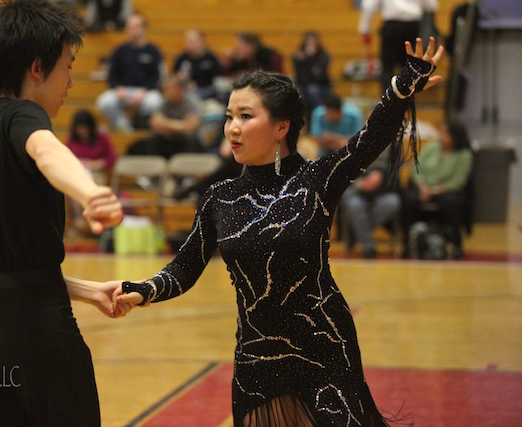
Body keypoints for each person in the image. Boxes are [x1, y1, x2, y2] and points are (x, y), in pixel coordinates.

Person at [115, 38, 444, 426]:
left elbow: (369, 139)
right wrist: (146, 289)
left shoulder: (317, 179)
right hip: (258, 359)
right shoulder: (220, 196)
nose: (232, 128)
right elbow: (185, 266)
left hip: (323, 347)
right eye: (228, 116)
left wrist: (401, 86)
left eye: (245, 116)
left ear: (280, 127)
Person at [0, 1, 127, 425]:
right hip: (36, 330)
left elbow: (7, 266)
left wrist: (84, 290)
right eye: (67, 66)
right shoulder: (23, 114)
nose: (70, 81)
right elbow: (46, 150)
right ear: (37, 69)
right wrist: (91, 191)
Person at [400, 117, 473, 259]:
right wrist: (423, 187)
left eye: (445, 133)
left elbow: (457, 181)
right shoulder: (432, 147)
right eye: (441, 132)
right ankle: (407, 243)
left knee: (451, 202)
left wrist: (434, 191)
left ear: (455, 136)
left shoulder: (464, 155)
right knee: (408, 199)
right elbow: (416, 168)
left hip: (445, 191)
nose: (441, 136)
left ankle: (456, 242)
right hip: (423, 188)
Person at [95, 13, 164, 131]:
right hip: (123, 91)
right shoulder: (119, 51)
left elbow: (157, 77)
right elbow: (112, 75)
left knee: (156, 102)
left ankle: (141, 124)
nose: (132, 30)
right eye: (129, 27)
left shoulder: (153, 51)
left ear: (144, 29)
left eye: (136, 27)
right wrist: (118, 88)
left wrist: (144, 91)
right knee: (104, 102)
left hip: (145, 92)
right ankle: (124, 126)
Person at [358, 0, 438, 90]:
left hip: (392, 26)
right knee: (409, 68)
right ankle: (406, 101)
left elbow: (369, 5)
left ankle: (387, 101)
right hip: (412, 27)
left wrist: (364, 27)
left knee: (388, 68)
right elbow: (431, 6)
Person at [340, 148, 401, 259]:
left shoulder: (394, 146)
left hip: (383, 192)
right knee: (352, 204)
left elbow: (395, 172)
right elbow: (347, 170)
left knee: (393, 202)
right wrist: (360, 183)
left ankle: (358, 235)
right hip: (359, 192)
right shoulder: (358, 142)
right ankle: (369, 248)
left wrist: (381, 178)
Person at [65, 109, 118, 235]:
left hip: (97, 173)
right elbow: (66, 156)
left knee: (89, 188)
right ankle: (80, 220)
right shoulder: (72, 139)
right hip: (78, 172)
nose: (82, 132)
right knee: (73, 188)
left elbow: (112, 158)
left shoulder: (102, 137)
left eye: (84, 128)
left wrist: (96, 163)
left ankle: (89, 221)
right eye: (79, 129)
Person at [126, 75, 203, 159]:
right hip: (167, 139)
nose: (167, 92)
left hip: (185, 140)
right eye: (166, 89)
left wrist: (166, 123)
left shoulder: (191, 103)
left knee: (191, 140)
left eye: (170, 89)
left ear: (180, 90)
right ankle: (154, 169)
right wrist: (181, 125)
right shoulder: (163, 103)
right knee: (150, 141)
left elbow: (191, 126)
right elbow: (154, 123)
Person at [292, 31, 332, 127]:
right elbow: (301, 78)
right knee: (302, 92)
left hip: (321, 86)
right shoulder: (298, 57)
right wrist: (305, 60)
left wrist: (310, 58)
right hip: (303, 86)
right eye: (308, 44)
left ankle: (319, 120)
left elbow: (318, 77)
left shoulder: (324, 57)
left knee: (313, 90)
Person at [173, 29, 222, 101]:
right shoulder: (181, 58)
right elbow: (174, 77)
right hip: (186, 92)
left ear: (201, 42)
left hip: (207, 91)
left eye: (191, 42)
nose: (188, 44)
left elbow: (217, 79)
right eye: (187, 41)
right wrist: (183, 81)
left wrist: (199, 86)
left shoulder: (211, 58)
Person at [310, 93, 364, 158]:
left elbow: (357, 141)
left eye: (332, 115)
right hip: (326, 149)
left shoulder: (354, 116)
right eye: (328, 113)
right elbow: (317, 140)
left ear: (340, 111)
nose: (329, 117)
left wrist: (332, 138)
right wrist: (342, 142)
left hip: (349, 150)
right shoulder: (318, 114)